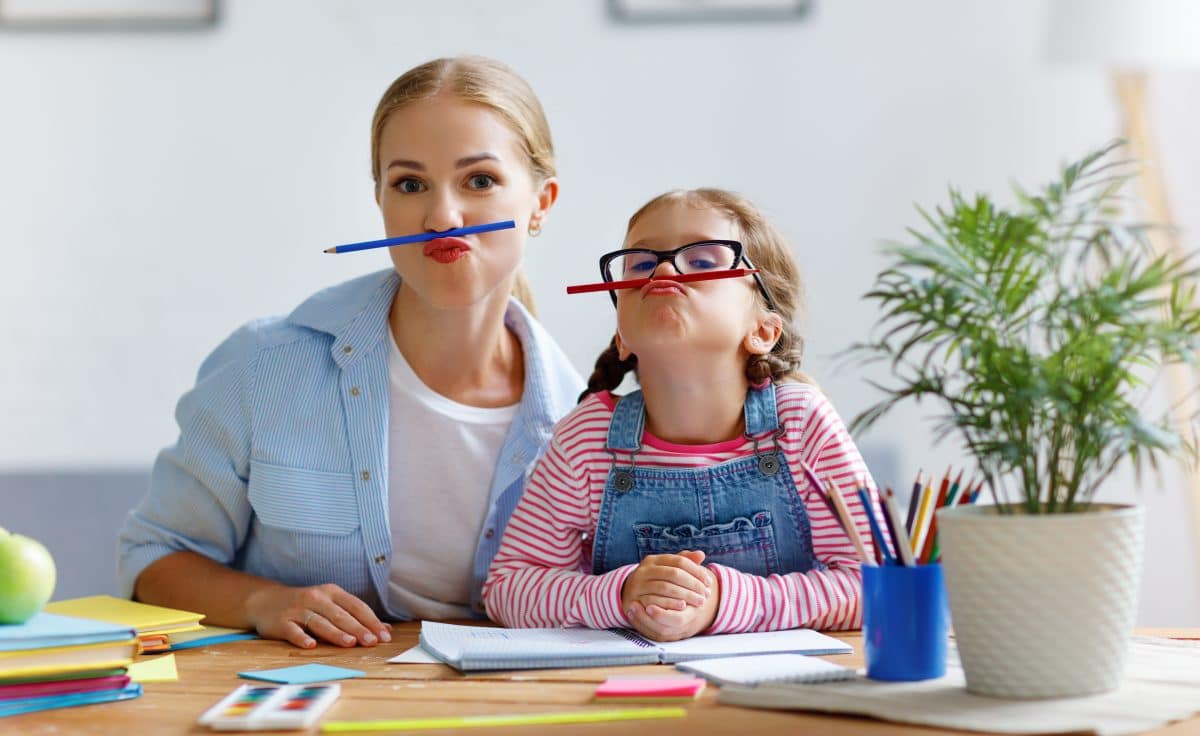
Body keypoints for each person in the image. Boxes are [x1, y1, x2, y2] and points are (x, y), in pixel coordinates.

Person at [118, 56, 584, 650]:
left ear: (542, 202)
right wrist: (261, 602)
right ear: (381, 201)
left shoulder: (583, 423)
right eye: (410, 184)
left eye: (480, 180)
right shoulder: (263, 368)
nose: (442, 216)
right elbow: (152, 558)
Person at [483, 188, 878, 642]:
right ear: (622, 338)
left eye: (704, 260)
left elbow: (877, 581)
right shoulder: (586, 438)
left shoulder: (801, 425)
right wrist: (620, 594)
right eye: (641, 264)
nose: (666, 270)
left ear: (764, 330)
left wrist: (723, 602)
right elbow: (507, 587)